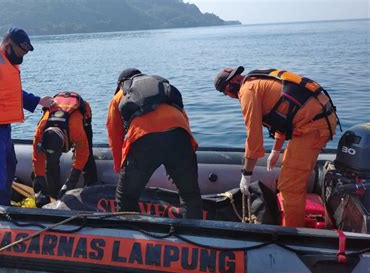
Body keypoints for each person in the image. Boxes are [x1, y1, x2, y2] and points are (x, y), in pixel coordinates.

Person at [214, 67, 339, 227]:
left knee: (289, 186)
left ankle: (292, 234)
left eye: (226, 93)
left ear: (230, 88)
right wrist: (275, 150)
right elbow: (284, 114)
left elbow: (253, 137)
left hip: (312, 127)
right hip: (315, 121)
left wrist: (246, 174)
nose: (230, 96)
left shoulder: (247, 91)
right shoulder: (258, 82)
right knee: (288, 174)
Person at [0, 27, 54, 205]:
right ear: (8, 45)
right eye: (20, 52)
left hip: (2, 129)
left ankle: (5, 206)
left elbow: (10, 93)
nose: (22, 57)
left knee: (10, 166)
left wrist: (37, 101)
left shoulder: (4, 64)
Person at [106, 68, 203, 219]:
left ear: (121, 84)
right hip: (180, 136)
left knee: (126, 198)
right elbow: (183, 118)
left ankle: (131, 235)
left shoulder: (120, 95)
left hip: (144, 140)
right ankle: (193, 235)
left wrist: (121, 168)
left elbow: (115, 135)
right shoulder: (164, 90)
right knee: (190, 194)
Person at [32, 91, 97, 207]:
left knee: (88, 155)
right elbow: (37, 158)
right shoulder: (40, 132)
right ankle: (54, 193)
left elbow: (83, 154)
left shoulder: (75, 130)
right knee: (51, 162)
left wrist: (70, 183)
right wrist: (39, 187)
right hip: (58, 112)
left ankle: (91, 185)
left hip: (80, 113)